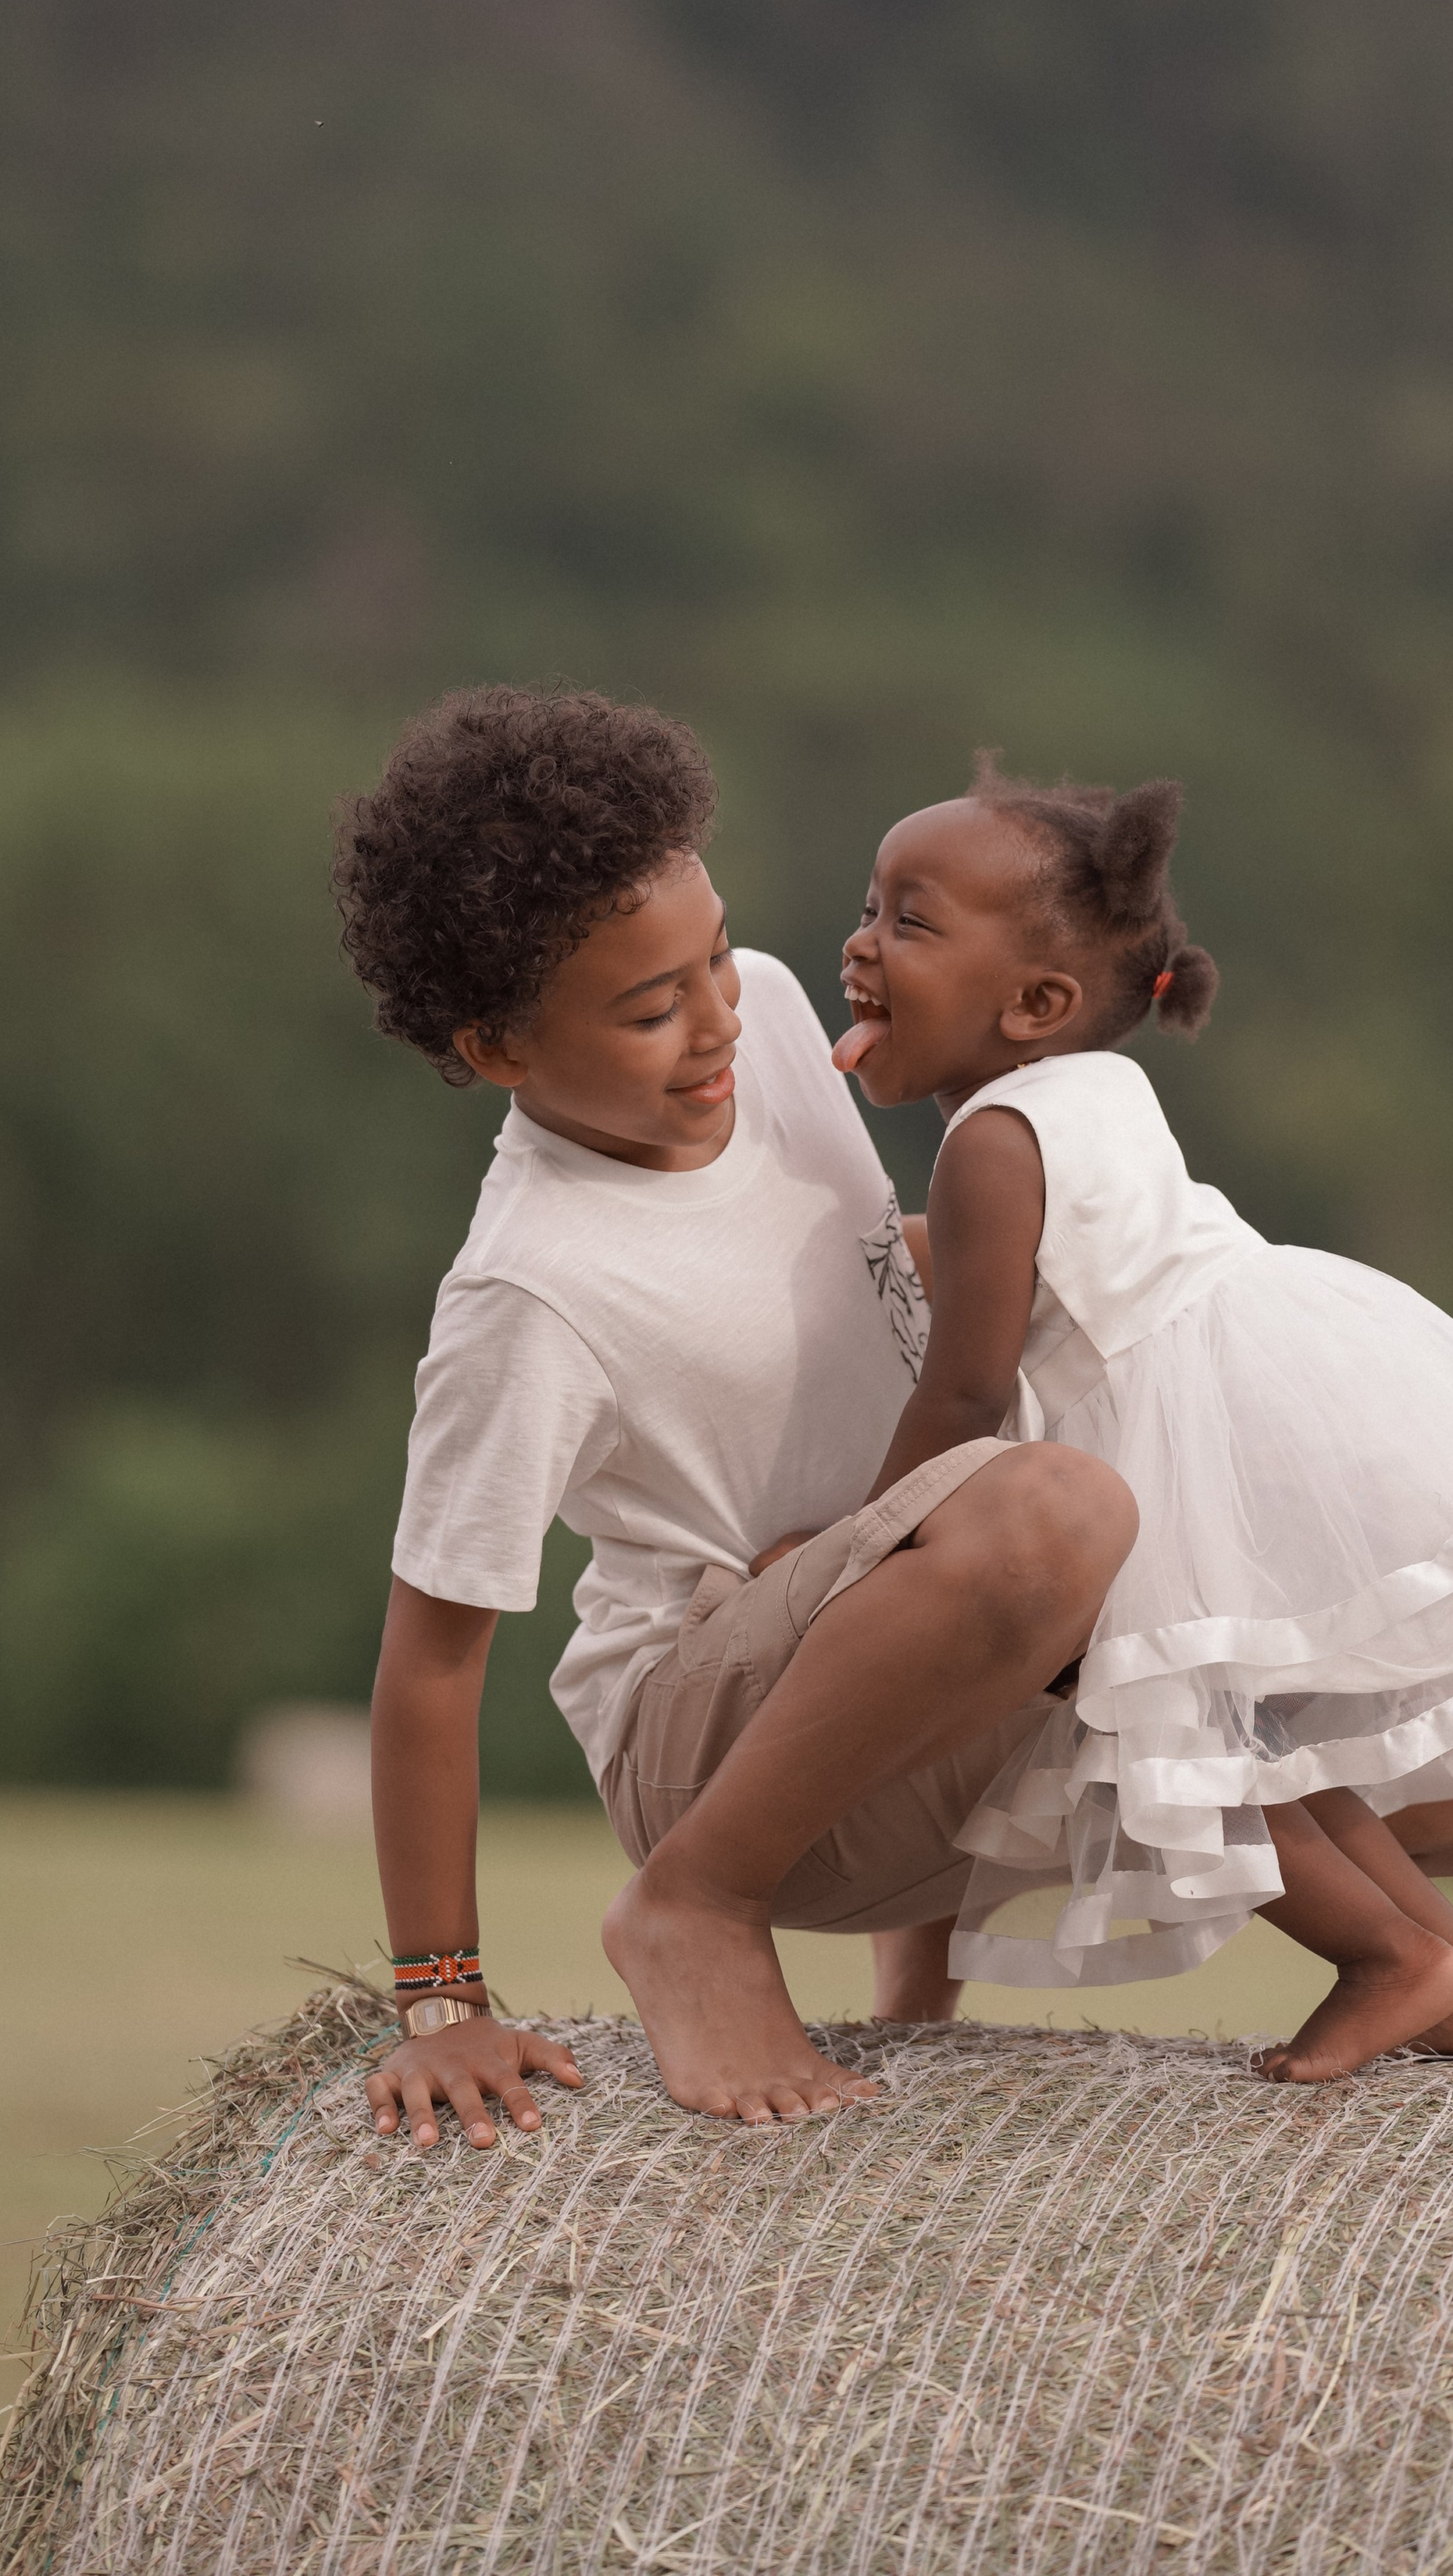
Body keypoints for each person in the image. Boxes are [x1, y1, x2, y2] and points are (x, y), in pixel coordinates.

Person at [823, 758, 1453, 2080]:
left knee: (1181, 1740)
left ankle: (1387, 1957)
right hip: (1274, 1378)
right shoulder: (1091, 1090)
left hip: (1169, 1438)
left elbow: (962, 1394)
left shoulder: (990, 1144)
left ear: (1035, 1002)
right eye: (869, 905)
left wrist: (862, 1556)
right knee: (1257, 1740)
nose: (859, 942)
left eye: (909, 920)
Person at [337, 687, 1139, 2135]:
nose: (721, 1020)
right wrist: (444, 2002)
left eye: (715, 957)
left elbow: (837, 1277)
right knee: (1050, 1510)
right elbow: (433, 1664)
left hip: (898, 1661)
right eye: (653, 1009)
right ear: (503, 1049)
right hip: (715, 1748)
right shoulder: (532, 1293)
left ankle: (924, 1963)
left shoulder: (762, 1016)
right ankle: (693, 1907)